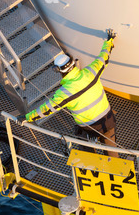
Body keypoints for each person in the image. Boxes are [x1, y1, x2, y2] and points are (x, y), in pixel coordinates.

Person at [17, 29, 119, 158]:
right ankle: (116, 173)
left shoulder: (63, 93)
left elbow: (45, 110)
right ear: (73, 63)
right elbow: (103, 57)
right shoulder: (91, 72)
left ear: (59, 71)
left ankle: (93, 173)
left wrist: (27, 118)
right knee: (113, 155)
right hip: (107, 122)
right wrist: (109, 41)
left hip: (88, 130)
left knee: (89, 158)